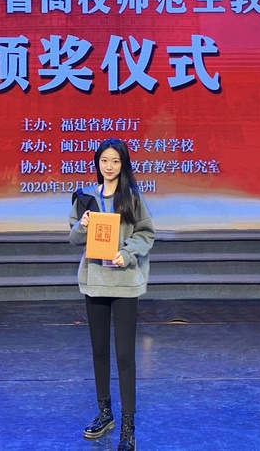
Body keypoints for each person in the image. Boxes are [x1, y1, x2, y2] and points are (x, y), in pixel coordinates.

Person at [69, 138, 156, 451]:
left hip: (124, 283)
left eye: (115, 161)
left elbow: (146, 233)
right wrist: (82, 225)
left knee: (125, 355)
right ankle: (105, 414)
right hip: (95, 281)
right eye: (104, 160)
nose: (109, 166)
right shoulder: (85, 197)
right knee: (99, 351)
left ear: (123, 165)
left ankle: (128, 425)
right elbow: (73, 237)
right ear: (97, 163)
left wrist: (127, 253)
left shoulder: (132, 197)